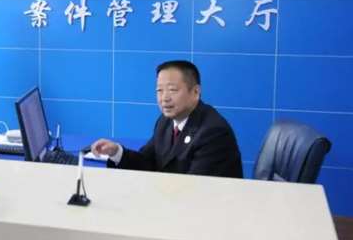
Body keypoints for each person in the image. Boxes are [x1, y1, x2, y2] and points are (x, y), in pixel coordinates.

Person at [92, 60, 243, 178]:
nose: (164, 98)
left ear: (196, 92)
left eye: (172, 90)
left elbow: (195, 188)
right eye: (159, 90)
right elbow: (147, 162)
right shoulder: (165, 121)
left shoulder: (213, 132)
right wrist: (116, 152)